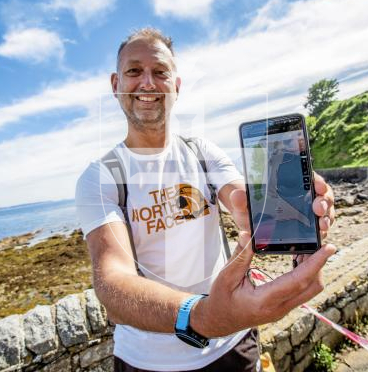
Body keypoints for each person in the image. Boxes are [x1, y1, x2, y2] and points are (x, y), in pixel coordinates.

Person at [75, 28, 336, 372]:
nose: (148, 83)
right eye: (134, 71)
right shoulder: (100, 177)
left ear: (177, 86)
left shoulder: (201, 152)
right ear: (115, 84)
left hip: (234, 345)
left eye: (161, 72)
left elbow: (244, 206)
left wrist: (290, 211)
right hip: (149, 362)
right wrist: (199, 315)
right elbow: (113, 282)